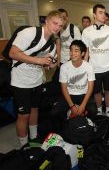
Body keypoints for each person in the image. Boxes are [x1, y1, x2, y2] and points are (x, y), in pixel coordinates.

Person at [9, 10, 63, 147]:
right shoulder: (30, 33)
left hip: (37, 80)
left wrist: (48, 64)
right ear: (47, 21)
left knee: (34, 109)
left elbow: (46, 64)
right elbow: (13, 53)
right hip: (21, 81)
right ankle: (24, 145)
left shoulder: (51, 43)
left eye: (60, 25)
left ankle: (34, 139)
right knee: (24, 115)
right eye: (55, 23)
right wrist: (38, 61)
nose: (57, 27)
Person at [82, 4, 109, 120]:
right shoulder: (86, 31)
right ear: (94, 15)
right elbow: (85, 51)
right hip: (93, 68)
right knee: (96, 92)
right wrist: (84, 67)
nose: (103, 15)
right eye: (100, 12)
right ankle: (100, 111)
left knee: (108, 91)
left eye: (104, 12)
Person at [51, 40, 97, 123]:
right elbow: (64, 89)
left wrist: (83, 106)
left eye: (76, 51)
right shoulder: (64, 67)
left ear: (82, 54)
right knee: (54, 112)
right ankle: (69, 121)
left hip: (83, 94)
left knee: (93, 110)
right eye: (71, 50)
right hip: (69, 95)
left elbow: (90, 88)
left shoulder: (88, 67)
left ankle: (84, 123)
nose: (73, 53)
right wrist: (72, 106)